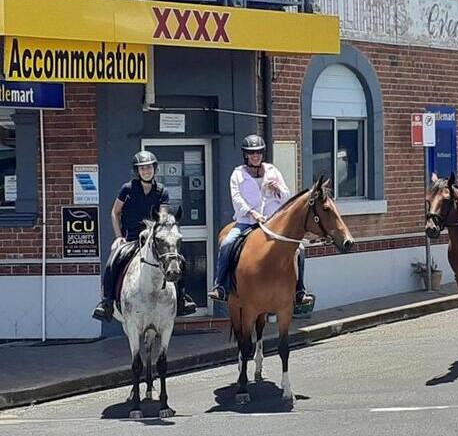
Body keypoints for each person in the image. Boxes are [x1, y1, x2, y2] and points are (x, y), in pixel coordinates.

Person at [208, 134, 313, 306]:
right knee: (227, 243)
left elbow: (287, 196)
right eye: (251, 153)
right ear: (246, 155)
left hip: (272, 223)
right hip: (247, 222)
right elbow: (236, 198)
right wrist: (252, 213)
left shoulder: (272, 171)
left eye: (258, 152)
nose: (255, 156)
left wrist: (277, 188)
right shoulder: (237, 174)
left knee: (299, 248)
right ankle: (220, 286)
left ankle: (299, 290)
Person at [92, 150, 197, 322]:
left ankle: (182, 299)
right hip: (131, 238)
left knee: (178, 259)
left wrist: (155, 232)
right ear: (137, 171)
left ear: (154, 169)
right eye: (142, 168)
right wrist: (119, 236)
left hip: (152, 238)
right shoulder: (127, 189)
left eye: (148, 167)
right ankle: (106, 302)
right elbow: (115, 212)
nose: (146, 171)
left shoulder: (161, 190)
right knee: (113, 261)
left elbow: (162, 217)